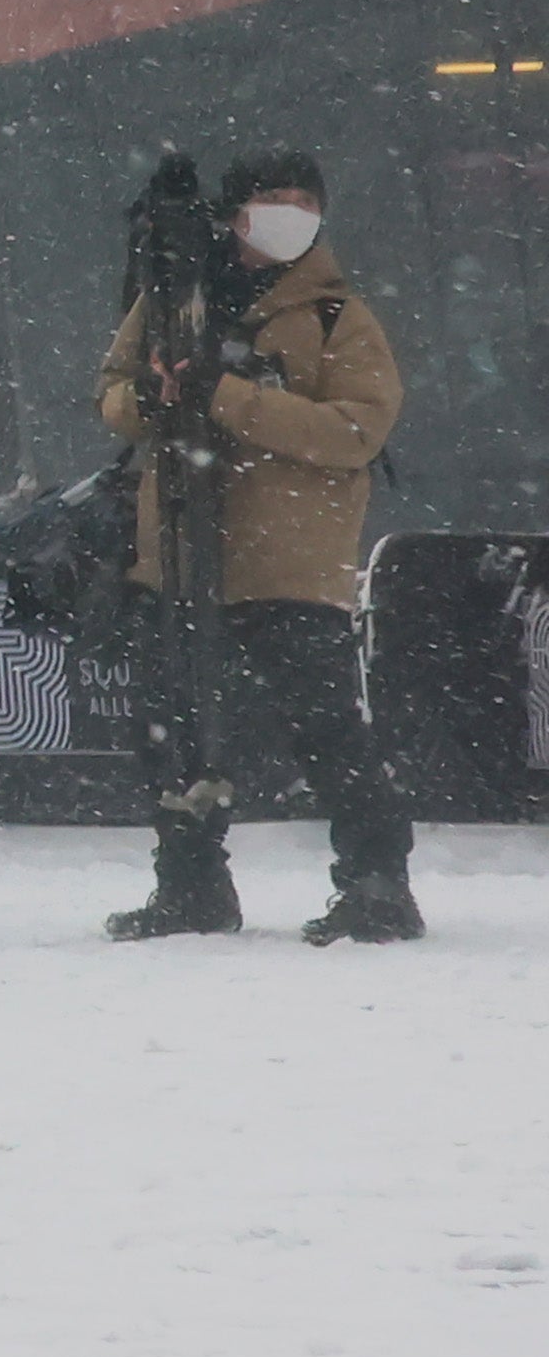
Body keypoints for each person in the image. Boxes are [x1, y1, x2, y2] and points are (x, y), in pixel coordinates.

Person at [96, 147, 414, 943]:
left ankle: (377, 881)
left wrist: (227, 396)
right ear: (236, 215)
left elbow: (355, 430)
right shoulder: (174, 299)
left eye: (305, 199)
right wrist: (151, 396)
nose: (291, 212)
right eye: (274, 198)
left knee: (326, 725)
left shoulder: (339, 316)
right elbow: (114, 390)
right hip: (179, 548)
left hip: (289, 562)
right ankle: (191, 884)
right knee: (171, 727)